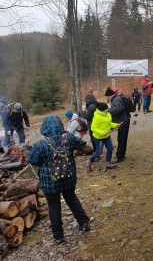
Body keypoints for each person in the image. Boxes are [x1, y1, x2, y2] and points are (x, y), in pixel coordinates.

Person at [28, 116, 90, 244]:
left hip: (50, 183)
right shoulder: (69, 138)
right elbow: (82, 144)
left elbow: (32, 160)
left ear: (44, 127)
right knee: (72, 199)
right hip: (69, 178)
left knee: (54, 206)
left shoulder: (41, 144)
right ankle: (84, 223)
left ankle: (58, 236)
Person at [86, 102, 120, 171]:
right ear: (102, 110)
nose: (108, 109)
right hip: (99, 138)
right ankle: (89, 161)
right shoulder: (97, 117)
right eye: (106, 109)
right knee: (98, 152)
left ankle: (108, 162)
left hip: (107, 136)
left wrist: (115, 125)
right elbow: (93, 128)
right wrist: (102, 133)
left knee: (110, 148)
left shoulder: (108, 114)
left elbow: (109, 123)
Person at [105, 87, 130, 163]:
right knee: (123, 138)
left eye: (107, 97)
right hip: (125, 119)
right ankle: (122, 154)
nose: (107, 98)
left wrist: (107, 111)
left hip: (122, 121)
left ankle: (119, 157)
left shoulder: (116, 100)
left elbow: (117, 110)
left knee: (121, 139)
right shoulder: (118, 98)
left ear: (110, 95)